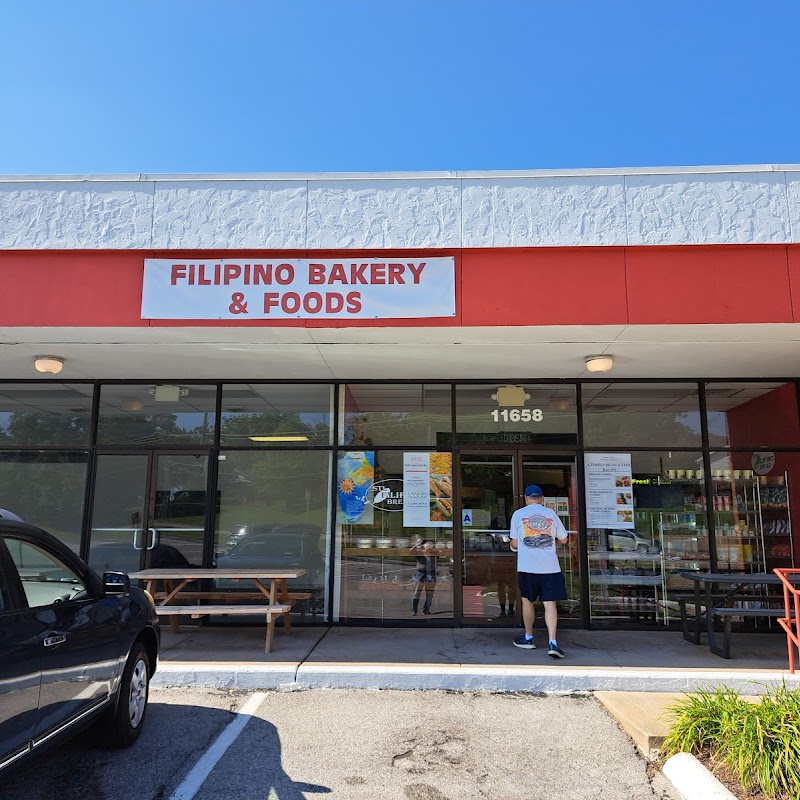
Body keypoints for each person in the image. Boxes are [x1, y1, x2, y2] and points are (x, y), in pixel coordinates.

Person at [509, 484, 568, 657]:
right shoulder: (551, 514)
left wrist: (513, 546)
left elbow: (515, 543)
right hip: (550, 566)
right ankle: (552, 642)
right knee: (550, 603)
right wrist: (552, 542)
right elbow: (564, 539)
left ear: (526, 498)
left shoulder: (518, 515)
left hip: (528, 566)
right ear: (541, 499)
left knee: (527, 600)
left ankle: (528, 638)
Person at [410, 539, 438, 615]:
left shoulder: (434, 554)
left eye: (430, 546)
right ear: (424, 547)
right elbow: (411, 550)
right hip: (420, 573)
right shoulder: (420, 553)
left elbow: (442, 551)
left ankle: (426, 609)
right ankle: (414, 610)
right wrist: (418, 544)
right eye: (427, 546)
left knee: (429, 593)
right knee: (417, 592)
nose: (428, 548)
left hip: (431, 573)